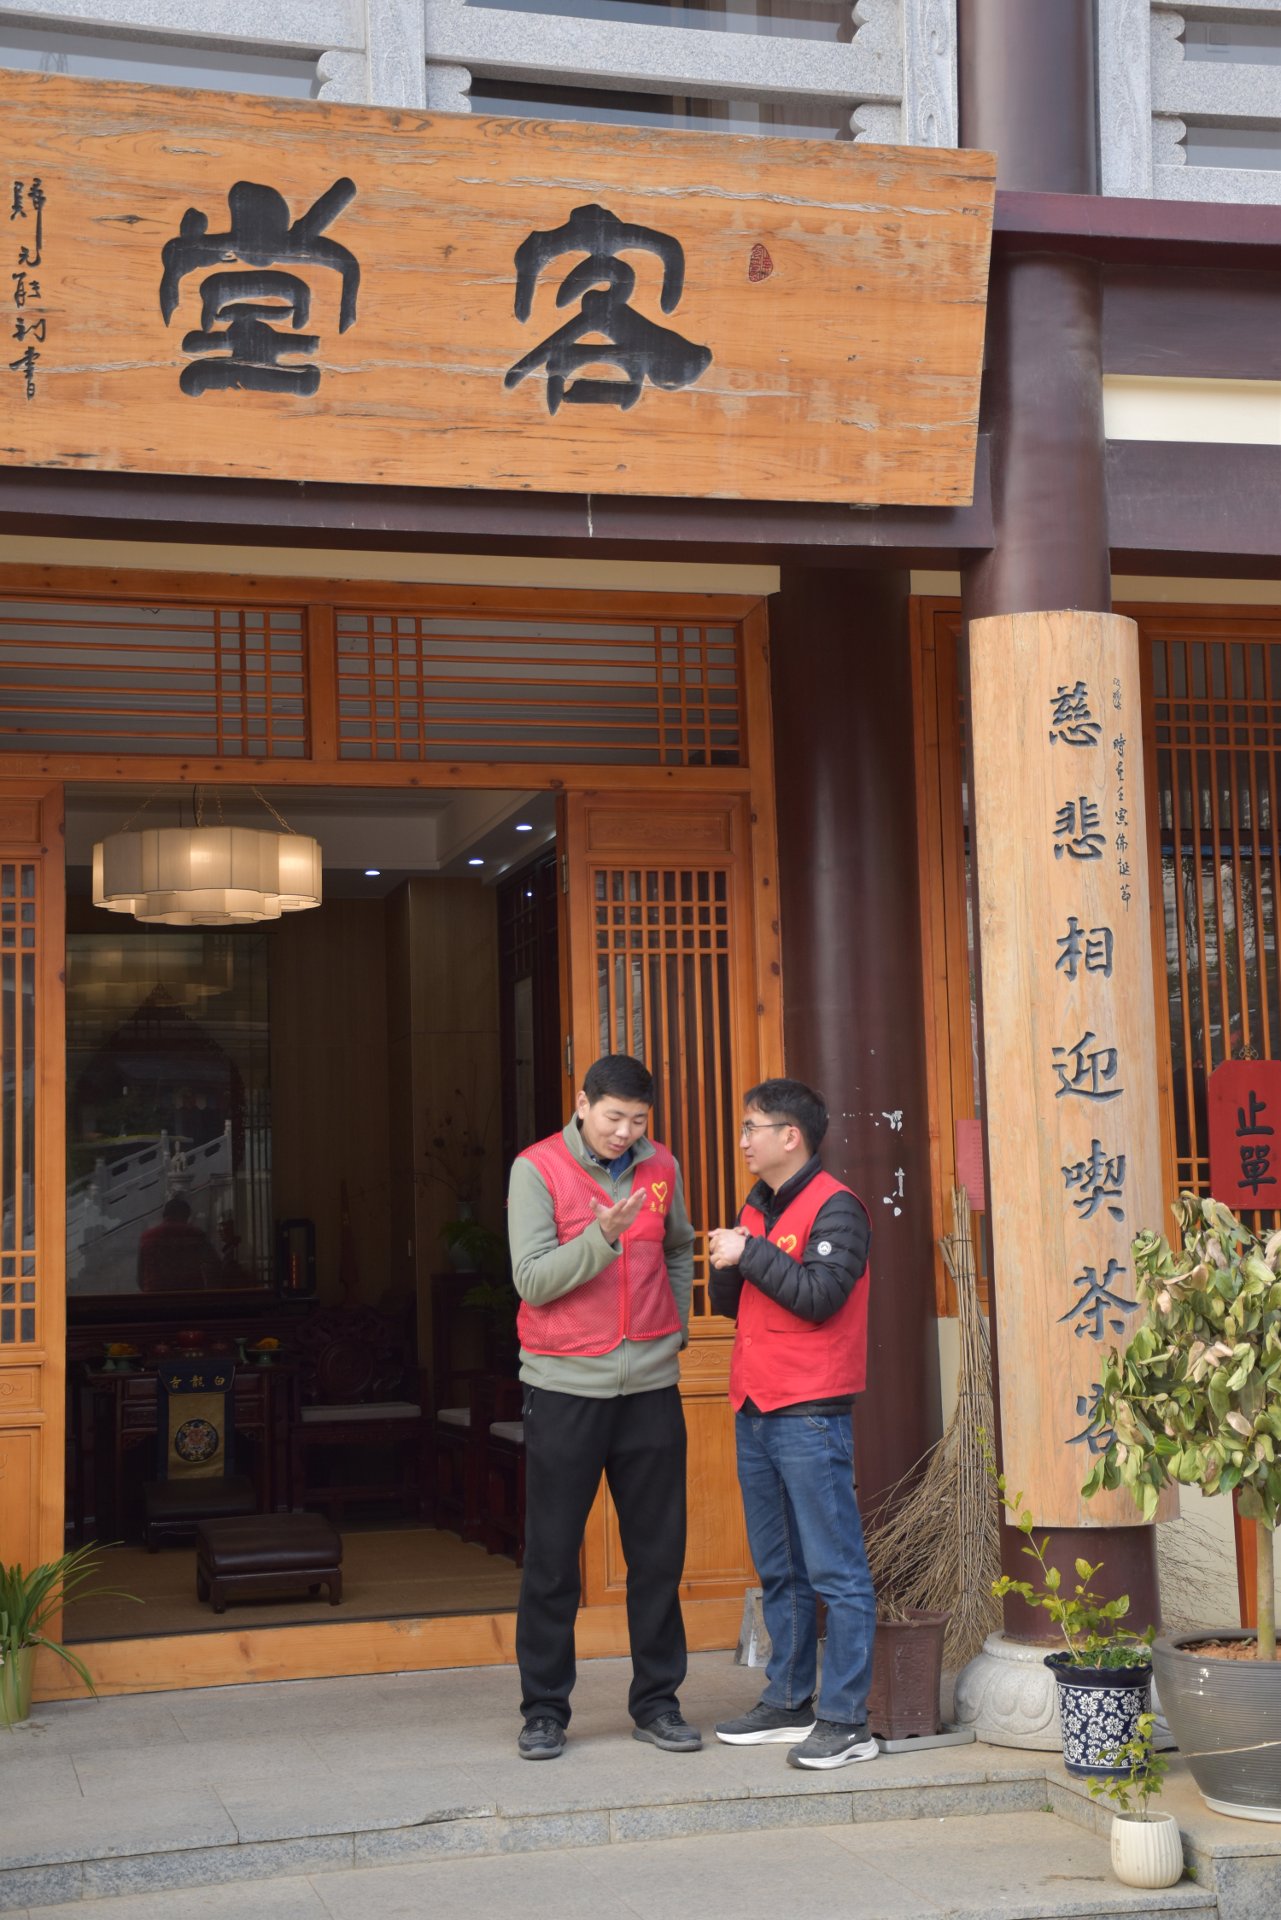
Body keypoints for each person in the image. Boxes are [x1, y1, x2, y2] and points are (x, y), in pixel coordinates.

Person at [506, 1053, 699, 1761]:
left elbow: (679, 1250)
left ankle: (658, 1704)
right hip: (564, 1388)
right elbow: (532, 1279)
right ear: (583, 1104)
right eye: (614, 1117)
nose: (625, 1133)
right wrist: (602, 1237)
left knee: (658, 1557)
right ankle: (543, 1711)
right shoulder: (537, 1169)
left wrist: (675, 1328)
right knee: (554, 1559)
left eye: (637, 1121)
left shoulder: (661, 1167)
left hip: (649, 1387)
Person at [708, 1078, 877, 1771]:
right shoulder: (757, 1204)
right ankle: (786, 1699)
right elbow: (734, 1303)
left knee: (835, 1571)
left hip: (810, 1411)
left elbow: (818, 1296)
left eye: (753, 1127)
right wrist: (731, 1257)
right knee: (779, 1568)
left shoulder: (838, 1207)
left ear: (790, 1136)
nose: (743, 1140)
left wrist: (748, 1252)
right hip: (755, 1404)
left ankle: (847, 1720)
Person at [137, 1194, 223, 1293]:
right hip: (188, 1295)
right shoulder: (196, 1234)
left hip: (156, 1295)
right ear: (186, 1215)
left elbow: (141, 1275)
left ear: (164, 1215)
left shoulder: (147, 1237)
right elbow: (214, 1264)